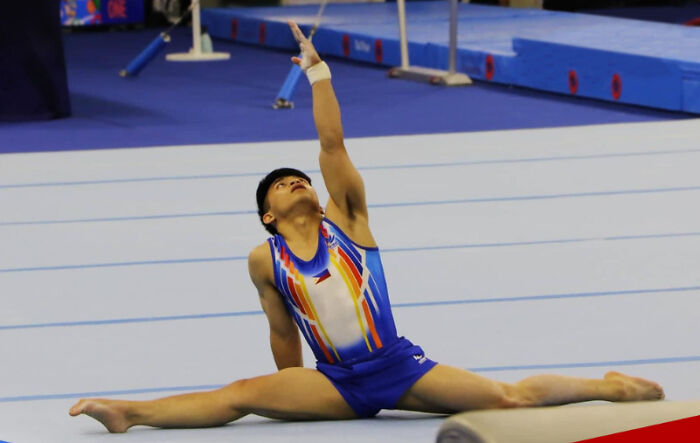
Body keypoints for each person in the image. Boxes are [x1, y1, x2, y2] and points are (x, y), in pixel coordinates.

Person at [69, 20, 664, 434]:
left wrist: (318, 73)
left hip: (400, 368)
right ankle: (131, 412)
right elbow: (282, 333)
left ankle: (612, 386)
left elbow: (331, 143)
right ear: (268, 216)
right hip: (336, 385)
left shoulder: (349, 223)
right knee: (238, 397)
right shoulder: (263, 260)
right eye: (283, 184)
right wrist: (292, 393)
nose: (298, 182)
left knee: (507, 398)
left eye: (301, 178)